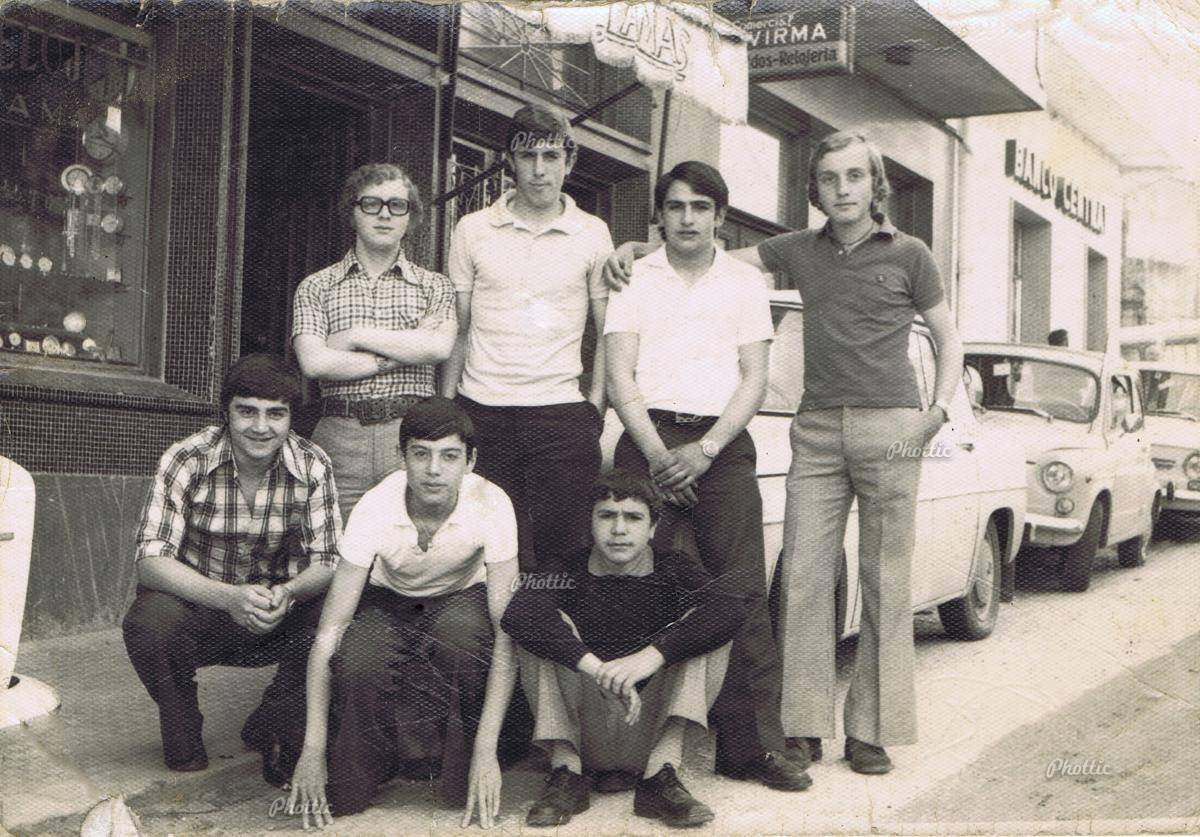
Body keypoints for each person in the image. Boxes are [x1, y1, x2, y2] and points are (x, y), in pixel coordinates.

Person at [606, 132, 964, 777]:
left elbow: (947, 336)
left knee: (885, 580)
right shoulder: (799, 249)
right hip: (817, 427)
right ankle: (802, 727)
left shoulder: (911, 254)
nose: (843, 189)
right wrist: (637, 249)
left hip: (892, 425)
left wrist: (937, 411)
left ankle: (870, 732)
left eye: (855, 176)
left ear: (875, 185)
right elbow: (710, 250)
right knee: (802, 576)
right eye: (829, 179)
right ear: (815, 190)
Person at [603, 161, 810, 791]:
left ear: (720, 216)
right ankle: (622, 750)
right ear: (659, 215)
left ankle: (753, 749)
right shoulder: (635, 277)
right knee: (637, 586)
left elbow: (754, 379)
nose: (687, 218)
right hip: (647, 440)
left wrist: (707, 449)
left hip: (721, 445)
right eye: (675, 206)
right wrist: (658, 454)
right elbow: (620, 376)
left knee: (740, 590)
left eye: (700, 207)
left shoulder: (744, 283)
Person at [287, 397, 518, 830]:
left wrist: (487, 752)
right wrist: (312, 752)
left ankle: (466, 767)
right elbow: (330, 631)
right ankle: (364, 773)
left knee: (463, 639)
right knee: (359, 658)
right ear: (402, 457)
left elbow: (508, 631)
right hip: (389, 599)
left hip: (461, 596)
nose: (433, 470)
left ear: (470, 462)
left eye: (449, 456)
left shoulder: (493, 503)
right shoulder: (375, 506)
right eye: (420, 454)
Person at [123, 354, 340, 785]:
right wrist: (228, 598)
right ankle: (184, 722)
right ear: (226, 412)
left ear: (291, 417)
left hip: (276, 610)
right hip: (202, 610)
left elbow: (329, 560)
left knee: (335, 617)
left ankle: (274, 718)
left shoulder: (314, 464)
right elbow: (151, 560)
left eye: (275, 413)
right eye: (247, 411)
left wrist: (289, 593)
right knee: (149, 622)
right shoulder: (187, 458)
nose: (261, 427)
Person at [502, 471, 743, 828]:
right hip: (583, 729)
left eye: (633, 518)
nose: (618, 530)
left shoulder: (673, 566)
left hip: (648, 727)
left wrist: (650, 657)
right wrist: (598, 669)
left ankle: (661, 775)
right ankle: (565, 773)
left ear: (652, 527)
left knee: (705, 623)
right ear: (590, 522)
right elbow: (518, 614)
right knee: (543, 623)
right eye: (607, 516)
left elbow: (730, 609)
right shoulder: (565, 568)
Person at [441, 102, 613, 572]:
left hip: (561, 415)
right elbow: (459, 326)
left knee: (563, 556)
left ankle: (553, 621)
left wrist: (595, 407)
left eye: (551, 156)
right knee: (489, 552)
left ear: (569, 162)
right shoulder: (473, 229)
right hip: (482, 411)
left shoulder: (593, 233)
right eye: (528, 156)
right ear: (510, 162)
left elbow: (607, 330)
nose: (540, 170)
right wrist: (448, 406)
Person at [293, 163, 456, 516]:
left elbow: (439, 347)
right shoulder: (316, 286)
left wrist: (354, 336)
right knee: (336, 542)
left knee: (409, 541)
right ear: (352, 212)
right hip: (339, 436)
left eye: (397, 205)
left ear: (410, 216)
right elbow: (314, 362)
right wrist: (406, 349)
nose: (384, 215)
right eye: (371, 204)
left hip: (411, 436)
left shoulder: (435, 286)